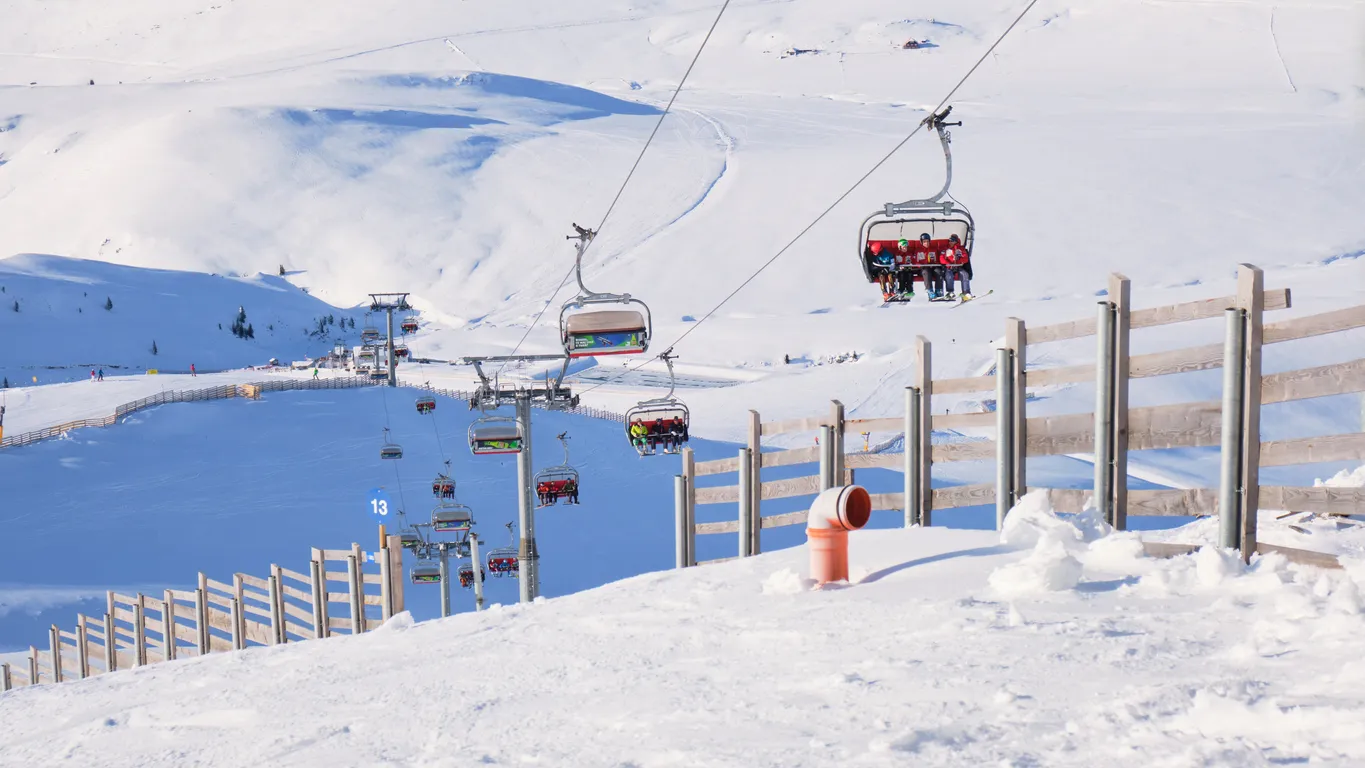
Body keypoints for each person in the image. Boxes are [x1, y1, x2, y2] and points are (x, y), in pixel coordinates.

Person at [941, 234, 973, 300]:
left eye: (952, 241)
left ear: (956, 242)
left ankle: (966, 292)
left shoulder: (960, 249)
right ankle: (950, 292)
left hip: (958, 266)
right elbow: (941, 258)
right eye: (950, 241)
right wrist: (948, 263)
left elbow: (965, 258)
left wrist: (958, 261)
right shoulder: (946, 249)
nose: (950, 243)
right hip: (949, 267)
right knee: (949, 275)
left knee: (964, 274)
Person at [920, 233, 946, 300]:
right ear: (921, 242)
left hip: (934, 266)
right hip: (924, 268)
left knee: (938, 271)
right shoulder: (919, 251)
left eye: (928, 241)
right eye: (924, 242)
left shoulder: (934, 249)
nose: (926, 243)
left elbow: (938, 259)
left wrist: (936, 263)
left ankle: (939, 290)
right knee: (926, 272)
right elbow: (917, 261)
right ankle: (930, 290)